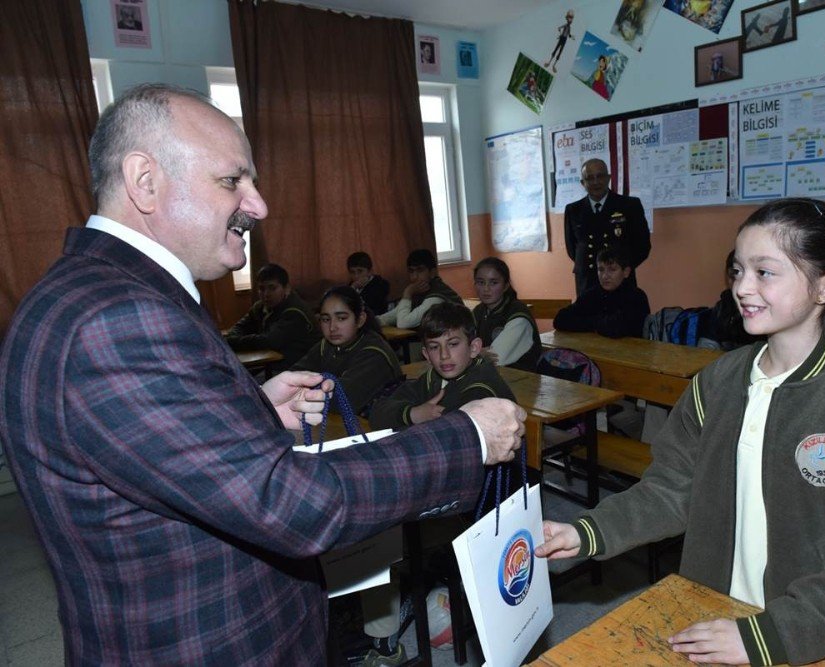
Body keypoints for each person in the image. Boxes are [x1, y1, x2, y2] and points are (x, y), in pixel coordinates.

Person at [0, 83, 526, 665]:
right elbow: (295, 507)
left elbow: (153, 458)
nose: (258, 205)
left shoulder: (84, 290)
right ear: (145, 181)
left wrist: (247, 411)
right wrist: (467, 436)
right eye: (233, 181)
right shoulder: (120, 318)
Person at [537, 198, 825, 665]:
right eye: (737, 270)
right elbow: (671, 490)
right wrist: (587, 531)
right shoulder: (717, 383)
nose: (742, 287)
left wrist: (768, 636)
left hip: (820, 639)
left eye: (764, 272)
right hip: (715, 617)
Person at [371, 303, 516, 430]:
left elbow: (448, 436)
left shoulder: (481, 389)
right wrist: (414, 414)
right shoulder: (432, 378)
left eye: (453, 344)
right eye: (434, 347)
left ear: (473, 348)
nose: (444, 355)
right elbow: (377, 413)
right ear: (426, 355)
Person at [290, 285, 402, 417]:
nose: (332, 327)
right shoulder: (327, 345)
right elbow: (293, 375)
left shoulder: (374, 354)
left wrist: (301, 389)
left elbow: (342, 401)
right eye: (326, 319)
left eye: (341, 318)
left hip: (375, 429)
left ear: (360, 320)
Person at [563, 158, 650, 297]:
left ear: (609, 178)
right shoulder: (573, 210)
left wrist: (620, 270)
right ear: (582, 183)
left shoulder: (629, 205)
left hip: (621, 283)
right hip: (587, 282)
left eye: (600, 176)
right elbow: (572, 248)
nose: (596, 182)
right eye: (590, 178)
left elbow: (642, 246)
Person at [225, 262, 320, 373]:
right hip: (274, 365)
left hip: (301, 370)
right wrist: (232, 339)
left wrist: (232, 341)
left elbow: (269, 341)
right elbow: (239, 327)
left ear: (286, 288)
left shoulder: (295, 312)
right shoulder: (260, 307)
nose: (266, 294)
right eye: (261, 288)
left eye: (272, 288)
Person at [553, 248, 650, 338]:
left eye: (612, 270)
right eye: (601, 269)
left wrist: (587, 322)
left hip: (630, 353)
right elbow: (560, 320)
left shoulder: (636, 296)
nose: (605, 276)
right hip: (595, 350)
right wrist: (597, 323)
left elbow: (616, 328)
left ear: (626, 272)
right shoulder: (591, 294)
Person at [471, 257, 541, 370]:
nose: (486, 289)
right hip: (489, 377)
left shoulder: (518, 317)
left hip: (521, 381)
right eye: (480, 282)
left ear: (506, 286)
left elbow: (496, 357)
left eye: (493, 283)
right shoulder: (479, 311)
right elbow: (460, 344)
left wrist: (471, 352)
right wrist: (477, 352)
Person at [377, 248, 464, 329]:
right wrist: (373, 321)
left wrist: (407, 294)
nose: (414, 277)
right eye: (411, 271)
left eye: (420, 270)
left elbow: (403, 323)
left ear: (432, 273)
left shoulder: (436, 296)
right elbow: (394, 315)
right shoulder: (420, 291)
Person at [347, 250, 391, 315]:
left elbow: (370, 308)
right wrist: (352, 289)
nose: (356, 276)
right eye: (352, 272)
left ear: (370, 271)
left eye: (360, 271)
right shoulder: (352, 285)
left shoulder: (381, 284)